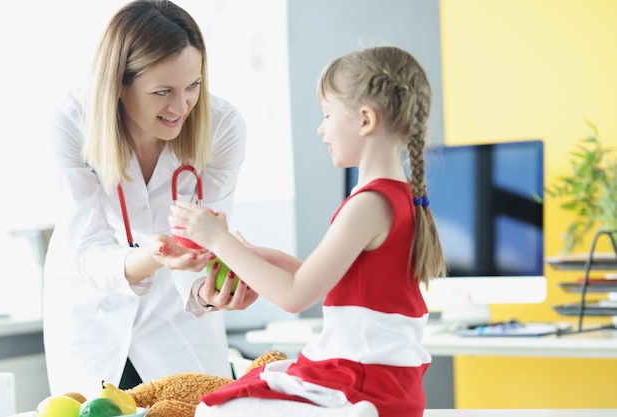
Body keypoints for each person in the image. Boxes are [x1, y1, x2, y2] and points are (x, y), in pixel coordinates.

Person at [170, 46, 447, 417]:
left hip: (363, 381)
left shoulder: (368, 204)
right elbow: (330, 279)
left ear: (365, 119)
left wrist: (216, 237)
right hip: (389, 381)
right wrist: (257, 256)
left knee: (214, 410)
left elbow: (295, 295)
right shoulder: (398, 198)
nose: (321, 127)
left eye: (328, 114)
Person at [43, 0, 258, 399]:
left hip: (179, 317)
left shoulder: (223, 126)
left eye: (193, 86)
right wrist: (159, 253)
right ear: (119, 85)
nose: (181, 107)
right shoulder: (71, 123)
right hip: (92, 309)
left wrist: (205, 291)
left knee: (194, 406)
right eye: (162, 91)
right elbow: (89, 249)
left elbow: (208, 241)